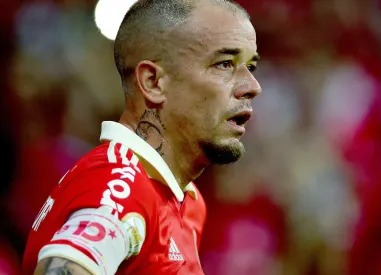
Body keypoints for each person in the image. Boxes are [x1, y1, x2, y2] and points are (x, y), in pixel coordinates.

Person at [22, 0, 261, 274]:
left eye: (250, 67)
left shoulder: (187, 202)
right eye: (224, 64)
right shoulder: (120, 187)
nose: (252, 87)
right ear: (153, 82)